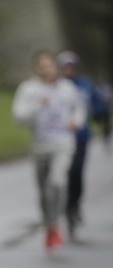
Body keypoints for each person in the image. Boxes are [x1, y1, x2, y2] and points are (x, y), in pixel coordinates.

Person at [11, 50, 87, 250]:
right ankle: (49, 224)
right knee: (44, 191)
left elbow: (79, 109)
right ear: (36, 68)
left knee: (57, 182)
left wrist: (76, 122)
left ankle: (54, 224)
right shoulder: (29, 89)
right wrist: (37, 105)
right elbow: (19, 117)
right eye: (41, 66)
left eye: (49, 65)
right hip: (39, 145)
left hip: (63, 143)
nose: (46, 69)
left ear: (55, 67)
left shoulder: (67, 88)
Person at [56, 50, 110, 239]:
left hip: (81, 136)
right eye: (65, 66)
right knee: (63, 175)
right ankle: (65, 207)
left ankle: (74, 207)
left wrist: (100, 114)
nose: (69, 70)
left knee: (77, 173)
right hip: (60, 138)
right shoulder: (57, 86)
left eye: (72, 66)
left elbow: (95, 103)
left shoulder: (85, 84)